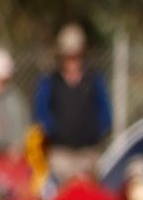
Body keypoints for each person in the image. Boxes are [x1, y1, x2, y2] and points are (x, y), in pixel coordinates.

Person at [37, 26, 113, 155]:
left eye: (76, 56)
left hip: (89, 153)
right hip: (60, 154)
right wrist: (55, 133)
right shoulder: (49, 81)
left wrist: (95, 133)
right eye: (68, 56)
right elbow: (41, 113)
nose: (72, 61)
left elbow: (105, 114)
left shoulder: (94, 80)